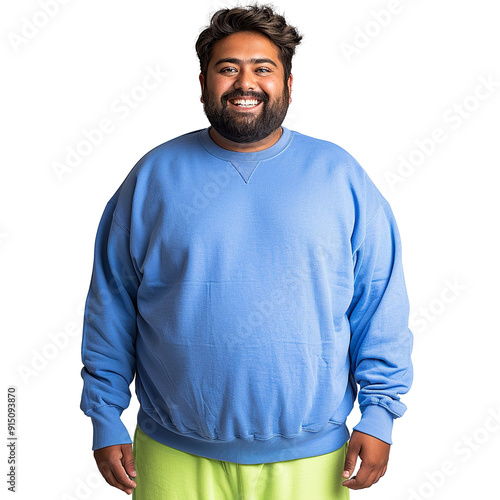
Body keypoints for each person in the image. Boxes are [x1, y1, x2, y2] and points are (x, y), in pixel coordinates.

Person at [79, 4, 413, 499]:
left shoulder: (340, 177)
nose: (245, 82)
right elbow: (111, 304)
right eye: (228, 68)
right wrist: (105, 414)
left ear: (289, 84)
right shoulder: (153, 177)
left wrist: (380, 414)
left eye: (263, 68)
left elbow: (378, 302)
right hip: (174, 452)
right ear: (203, 82)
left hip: (314, 457)